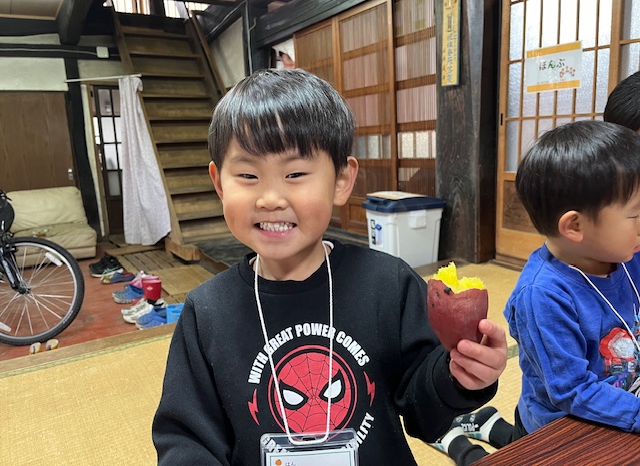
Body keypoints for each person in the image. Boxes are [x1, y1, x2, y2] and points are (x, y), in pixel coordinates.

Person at [151, 68, 508, 465]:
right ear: (220, 183)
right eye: (248, 175)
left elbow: (423, 411)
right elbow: (186, 440)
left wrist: (460, 375)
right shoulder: (207, 311)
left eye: (295, 174)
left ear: (341, 180)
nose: (270, 198)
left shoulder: (388, 284)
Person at [431, 120, 640, 465]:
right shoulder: (542, 296)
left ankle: (487, 423)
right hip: (558, 430)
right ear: (575, 226)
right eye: (635, 215)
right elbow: (572, 391)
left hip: (616, 406)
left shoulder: (626, 255)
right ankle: (457, 445)